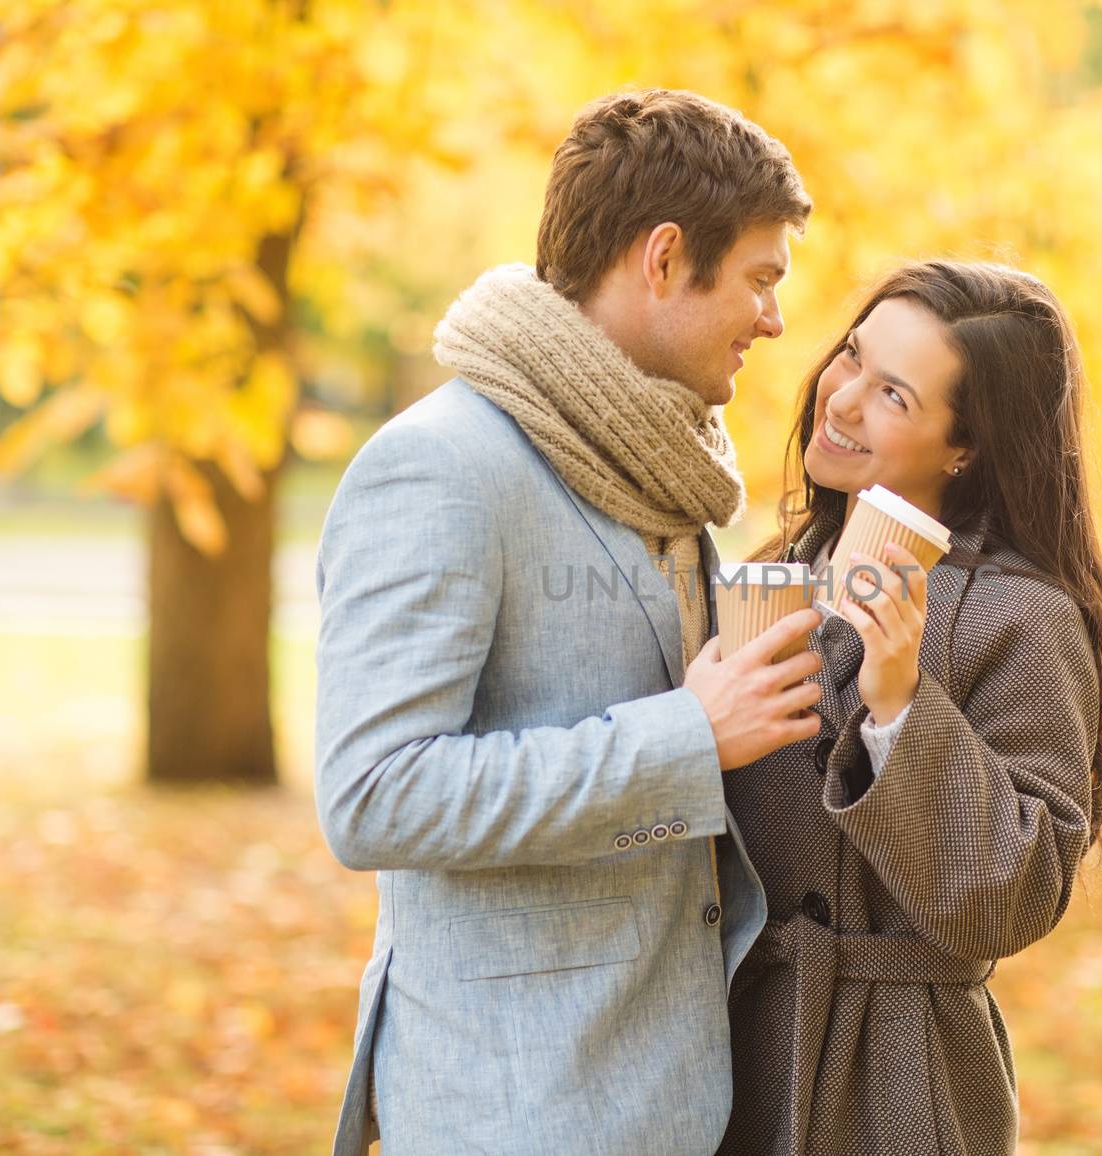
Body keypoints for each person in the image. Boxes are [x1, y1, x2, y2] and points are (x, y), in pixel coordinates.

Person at [312, 89, 819, 1155]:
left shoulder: (659, 464)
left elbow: (650, 814)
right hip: (512, 1108)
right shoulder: (442, 468)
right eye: (761, 279)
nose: (774, 318)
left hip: (675, 1094)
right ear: (665, 257)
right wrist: (687, 738)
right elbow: (373, 795)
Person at [714, 261, 1102, 1156]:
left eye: (894, 395)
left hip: (900, 1081)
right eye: (851, 359)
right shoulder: (778, 568)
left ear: (966, 446)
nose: (842, 400)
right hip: (727, 1051)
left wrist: (901, 703)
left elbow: (1011, 901)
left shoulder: (1022, 615)